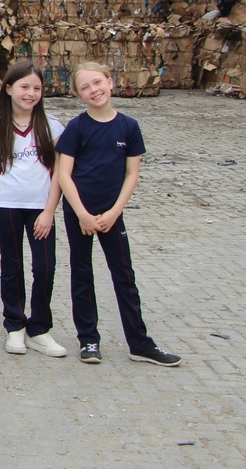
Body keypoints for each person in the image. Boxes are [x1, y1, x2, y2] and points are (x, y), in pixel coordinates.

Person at [55, 62, 181, 367]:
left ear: (111, 83)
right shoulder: (76, 128)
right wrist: (83, 214)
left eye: (97, 83)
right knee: (82, 274)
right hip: (80, 214)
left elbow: (131, 174)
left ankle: (139, 343)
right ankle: (88, 339)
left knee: (124, 277)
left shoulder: (128, 127)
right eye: (85, 87)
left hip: (112, 214)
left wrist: (114, 212)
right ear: (77, 95)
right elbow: (64, 174)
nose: (93, 90)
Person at [0, 61, 67, 357]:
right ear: (8, 89)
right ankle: (14, 327)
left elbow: (60, 172)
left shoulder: (52, 126)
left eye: (36, 88)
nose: (30, 94)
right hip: (7, 206)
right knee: (11, 265)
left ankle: (40, 328)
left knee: (45, 267)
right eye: (24, 87)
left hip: (40, 208)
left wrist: (49, 210)